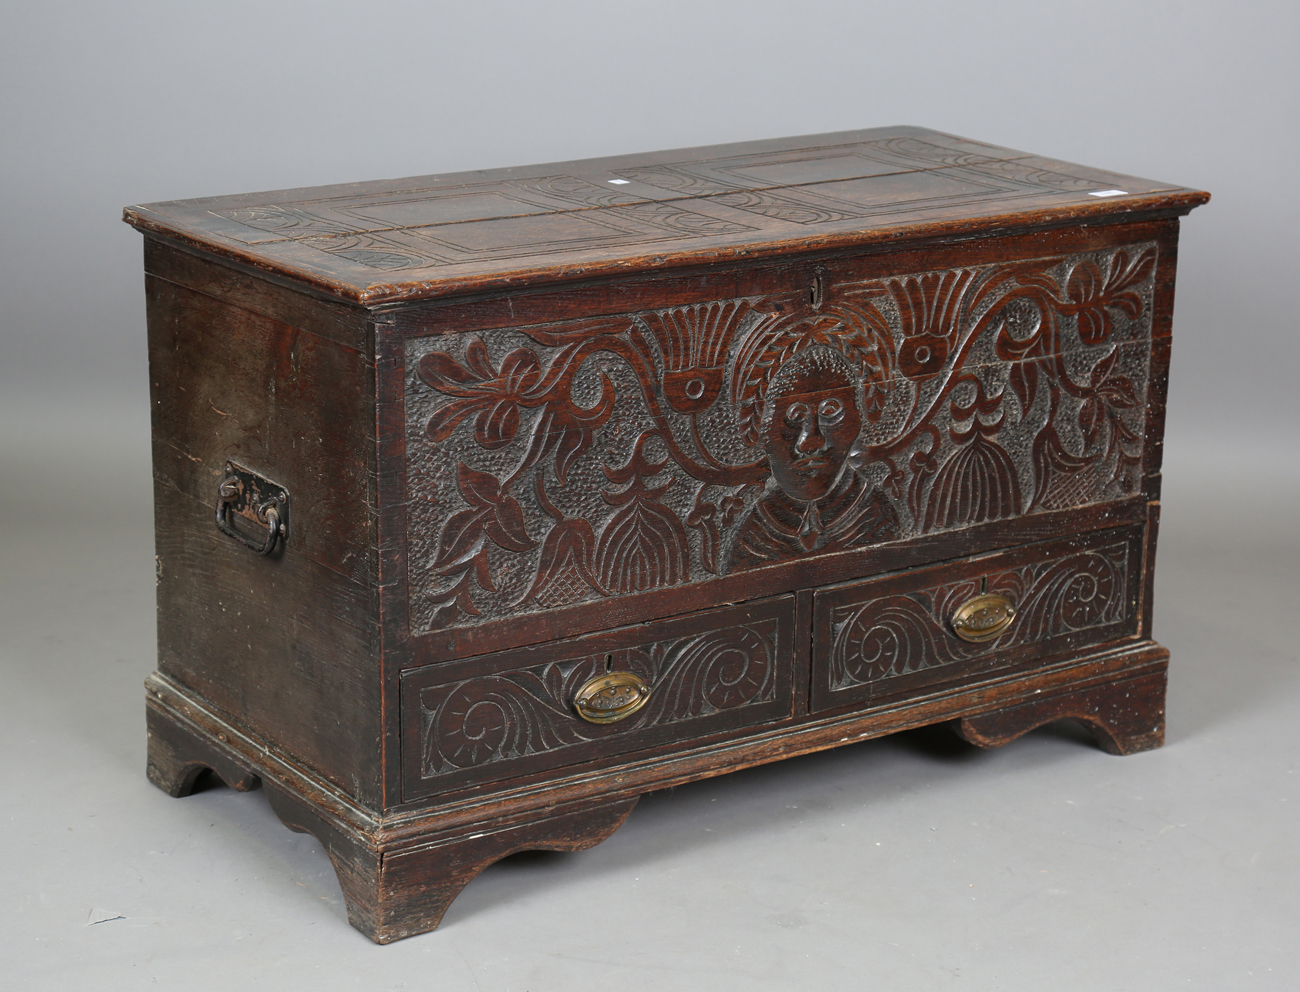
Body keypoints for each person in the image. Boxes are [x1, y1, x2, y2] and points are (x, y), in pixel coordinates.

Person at [724, 345, 899, 572]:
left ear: (859, 418)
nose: (810, 441)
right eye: (794, 416)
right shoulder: (753, 531)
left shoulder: (875, 513)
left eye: (831, 412)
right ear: (758, 428)